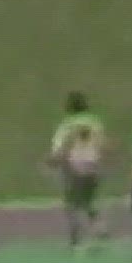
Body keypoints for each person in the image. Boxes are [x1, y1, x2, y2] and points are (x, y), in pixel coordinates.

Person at [47, 91, 108, 252]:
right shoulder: (95, 122)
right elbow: (102, 144)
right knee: (89, 200)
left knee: (72, 204)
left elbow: (61, 146)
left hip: (73, 165)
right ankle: (99, 227)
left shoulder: (67, 124)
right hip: (93, 164)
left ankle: (76, 239)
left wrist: (53, 160)